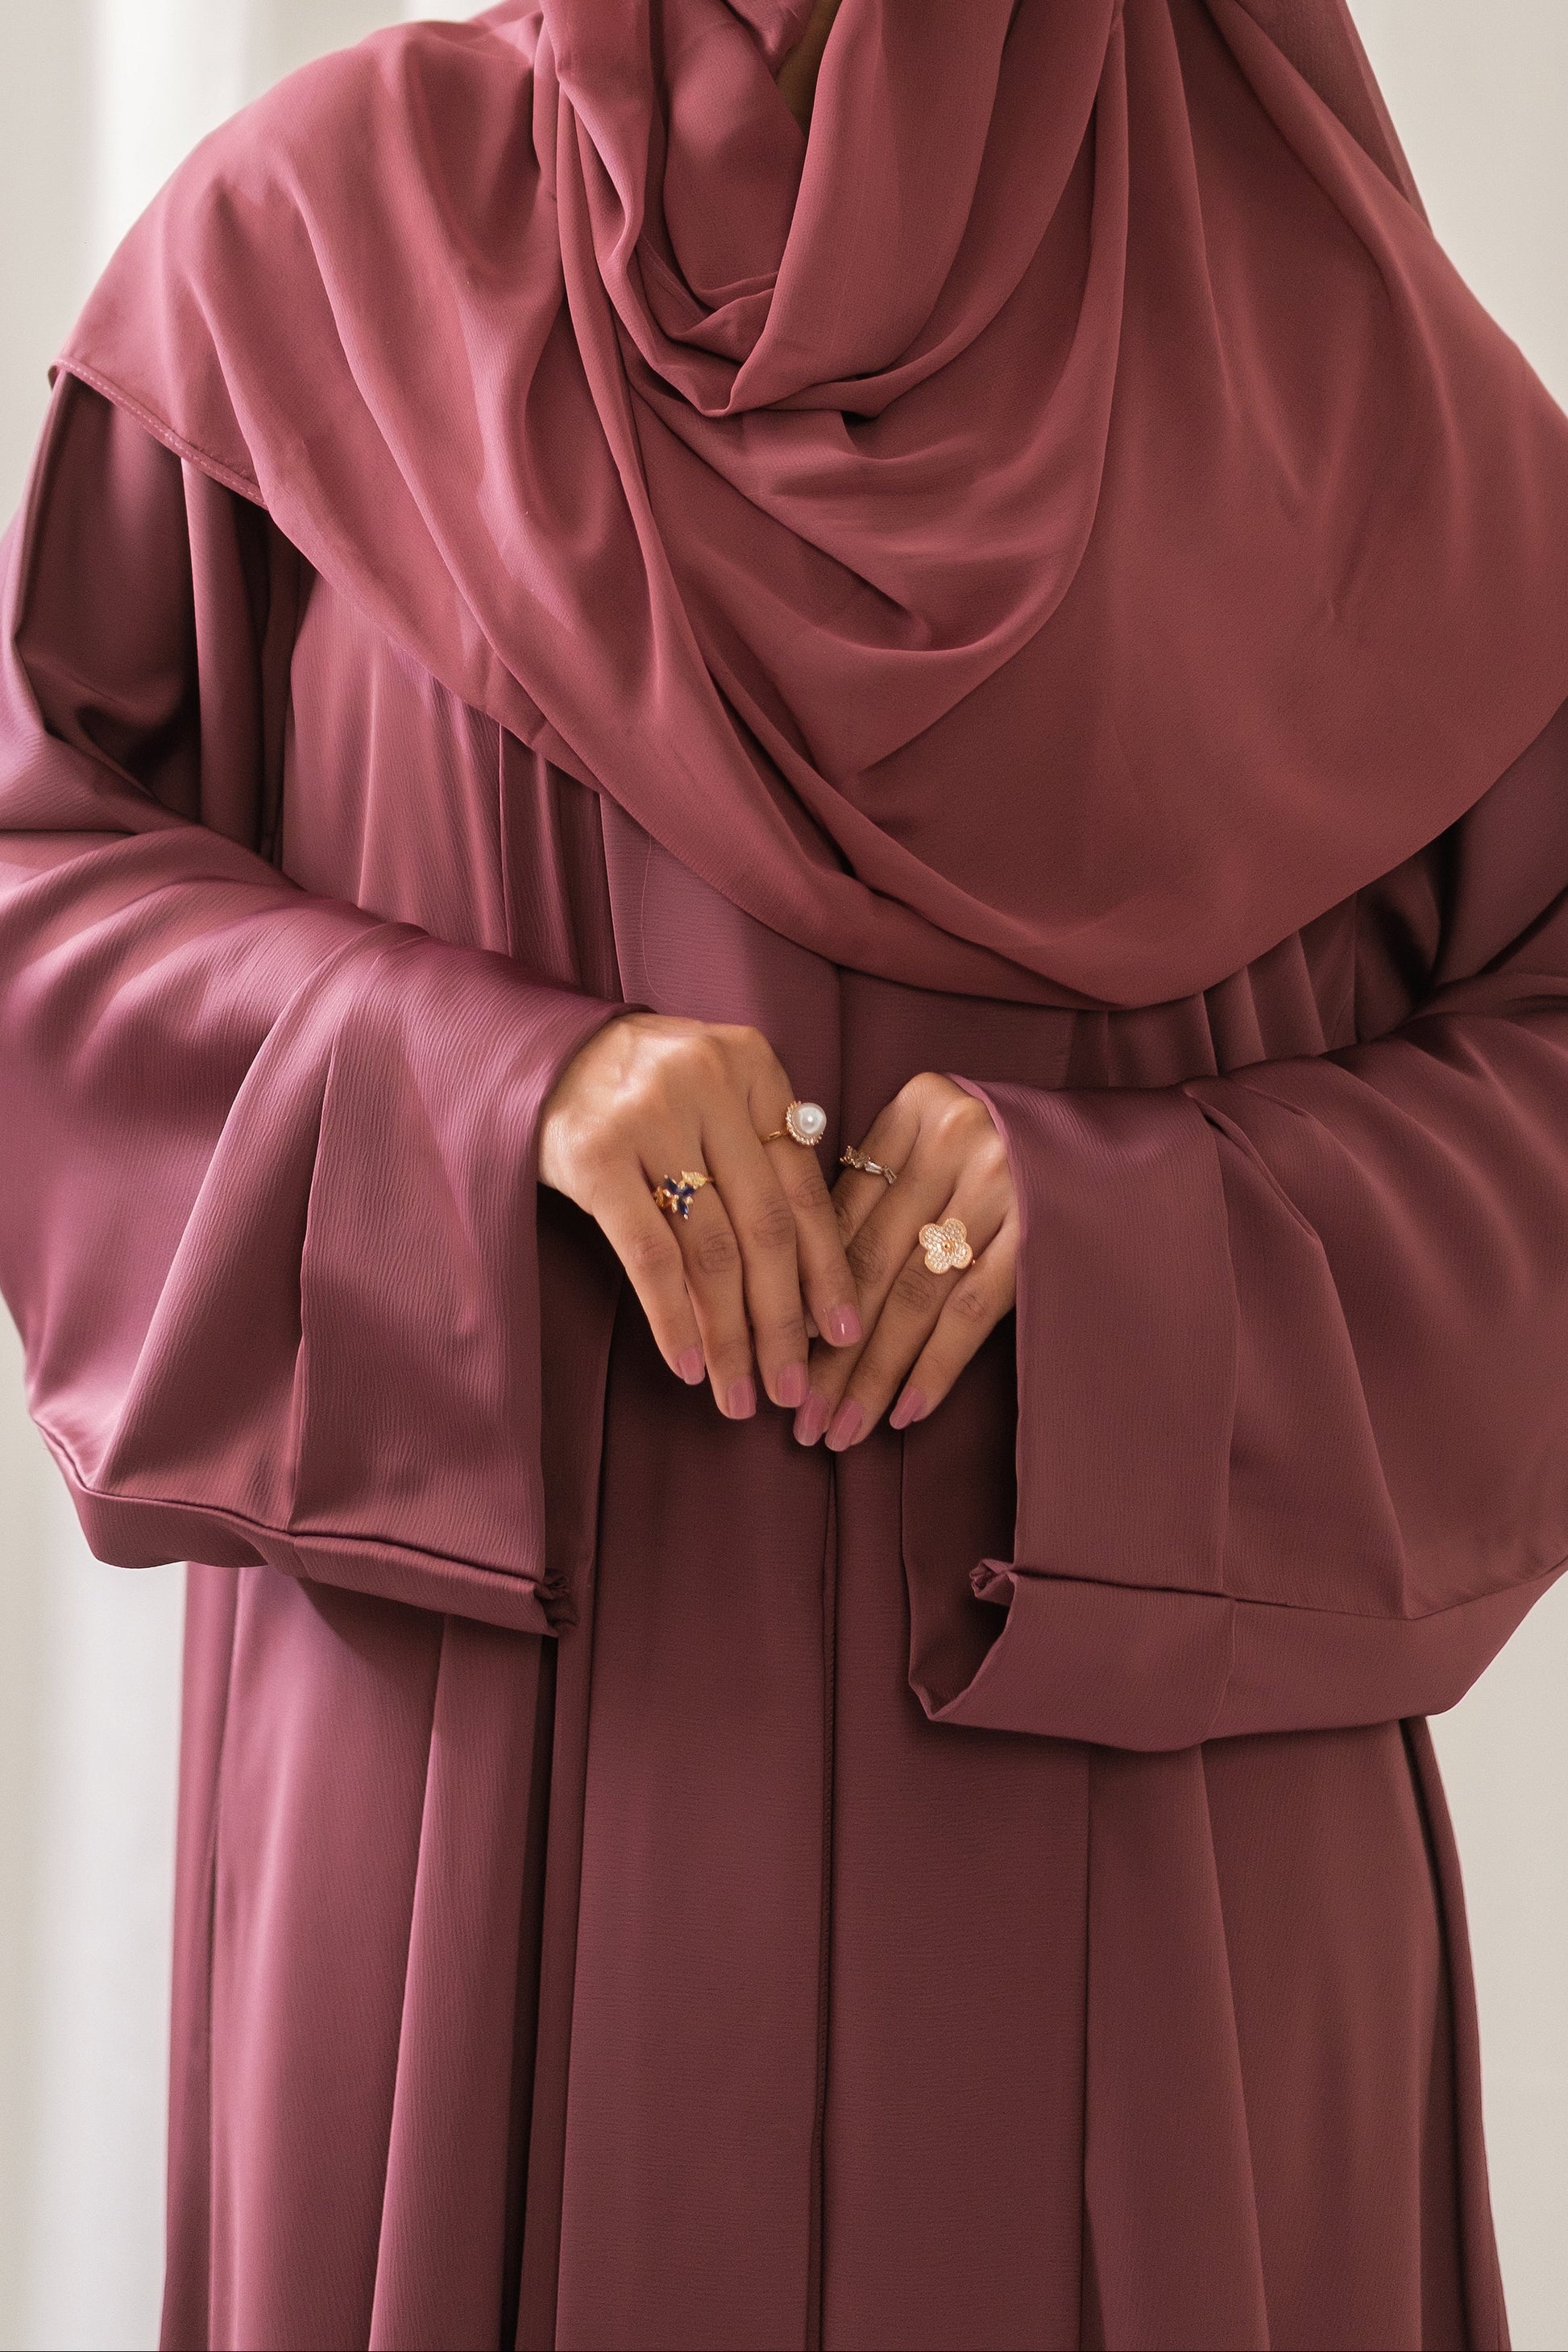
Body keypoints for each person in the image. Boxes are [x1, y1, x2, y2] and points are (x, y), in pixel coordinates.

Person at [2, 1, 1567, 2344]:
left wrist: (1141, 1244)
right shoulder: (318, 254)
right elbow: (47, 918)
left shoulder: (1320, 340)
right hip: (482, 1823)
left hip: (1147, 1870)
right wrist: (489, 1097)